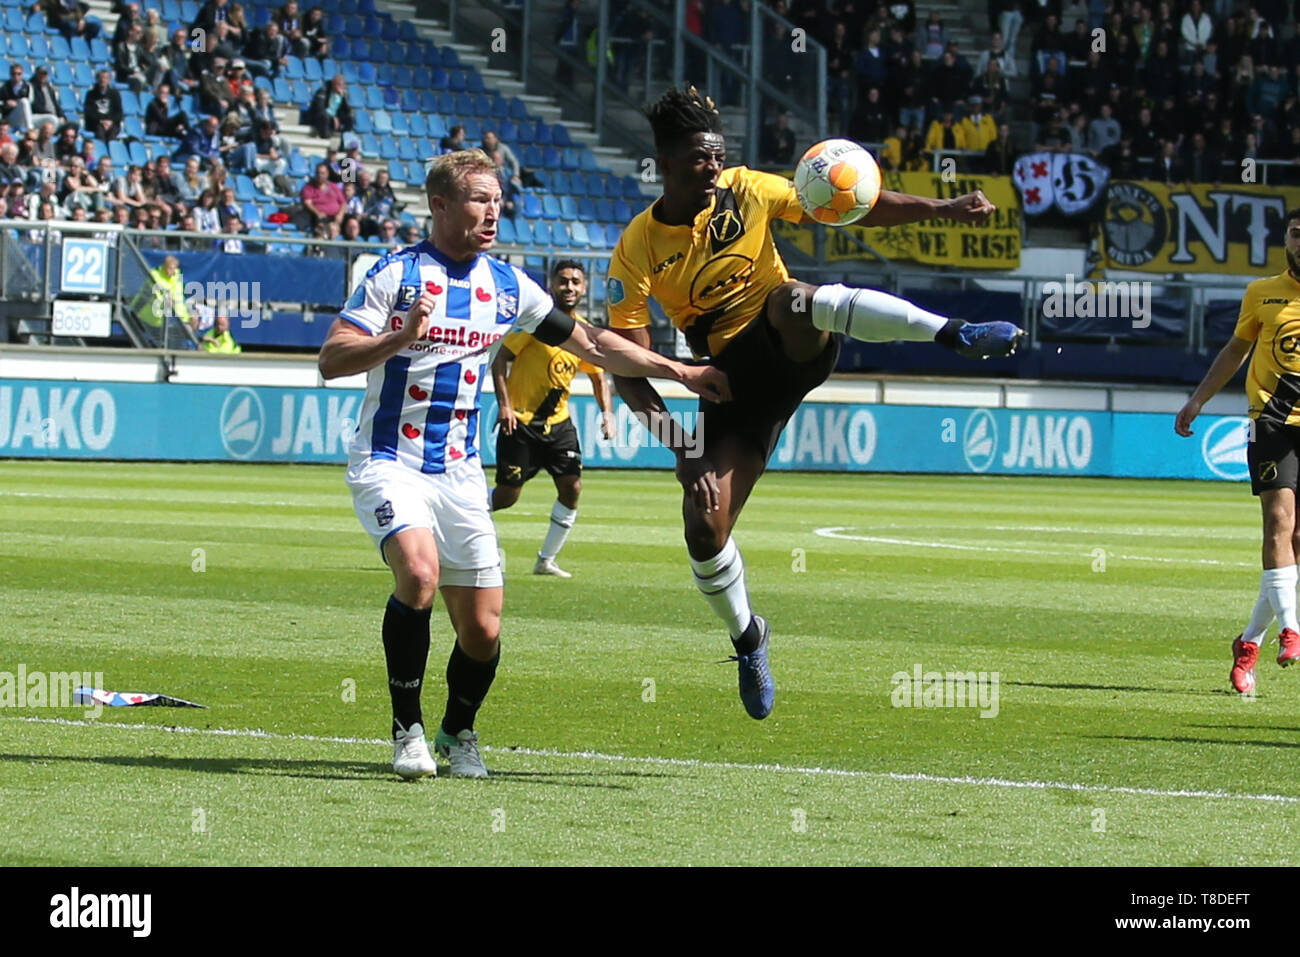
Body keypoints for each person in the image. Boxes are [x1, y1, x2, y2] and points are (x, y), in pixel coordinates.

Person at [606, 87, 1024, 720]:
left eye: (718, 154)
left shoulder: (750, 189)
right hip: (731, 386)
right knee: (704, 528)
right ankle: (749, 636)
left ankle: (953, 333)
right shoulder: (637, 247)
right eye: (698, 158)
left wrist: (946, 205)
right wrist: (682, 447)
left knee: (792, 297)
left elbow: (854, 206)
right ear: (663, 162)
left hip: (792, 340)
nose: (714, 167)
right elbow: (626, 366)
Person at [315, 149, 729, 780]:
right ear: (441, 204)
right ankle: (408, 732)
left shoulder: (507, 286)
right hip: (389, 460)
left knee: (482, 630)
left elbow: (591, 341)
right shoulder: (394, 276)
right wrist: (399, 338)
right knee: (419, 577)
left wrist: (679, 370)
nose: (492, 212)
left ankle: (459, 731)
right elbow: (333, 358)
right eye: (479, 199)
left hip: (459, 472)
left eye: (499, 201)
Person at [1175, 208, 1300, 696]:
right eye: (1295, 233)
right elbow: (1235, 350)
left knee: (1297, 546)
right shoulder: (1262, 292)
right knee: (1278, 525)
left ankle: (1248, 644)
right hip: (1271, 422)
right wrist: (1198, 398)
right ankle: (1292, 631)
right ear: (1286, 240)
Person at [490, 260, 615, 578]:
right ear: (552, 284)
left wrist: (608, 415)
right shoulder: (535, 324)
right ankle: (459, 520)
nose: (569, 287)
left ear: (585, 288)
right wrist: (504, 406)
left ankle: (546, 560)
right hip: (519, 423)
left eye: (575, 282)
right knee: (507, 496)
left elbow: (599, 377)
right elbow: (500, 360)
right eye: (563, 281)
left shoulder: (583, 332)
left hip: (559, 426)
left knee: (572, 487)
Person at [308, 74, 352, 141]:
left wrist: (343, 98)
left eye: (342, 85)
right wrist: (332, 117)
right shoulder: (323, 91)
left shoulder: (342, 94)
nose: (341, 87)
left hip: (334, 117)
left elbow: (347, 111)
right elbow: (320, 109)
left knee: (350, 119)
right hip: (320, 117)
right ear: (334, 84)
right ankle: (326, 139)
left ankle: (343, 139)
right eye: (339, 85)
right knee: (325, 117)